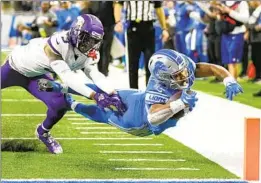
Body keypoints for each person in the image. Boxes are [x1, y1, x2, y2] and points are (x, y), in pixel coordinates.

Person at [38, 49, 243, 137]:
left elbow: (211, 69)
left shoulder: (182, 66)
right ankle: (67, 98)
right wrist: (179, 104)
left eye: (184, 72)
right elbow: (154, 118)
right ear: (165, 77)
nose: (185, 77)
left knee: (108, 92)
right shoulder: (159, 88)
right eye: (179, 75)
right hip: (137, 121)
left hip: (138, 98)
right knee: (104, 112)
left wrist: (228, 79)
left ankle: (62, 90)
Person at [1, 14, 124, 154]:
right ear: (75, 32)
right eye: (87, 39)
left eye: (94, 41)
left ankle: (43, 132)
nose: (90, 44)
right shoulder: (59, 43)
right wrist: (95, 96)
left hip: (35, 76)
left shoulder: (90, 52)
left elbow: (95, 74)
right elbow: (68, 77)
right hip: (14, 67)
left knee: (60, 104)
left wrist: (111, 93)